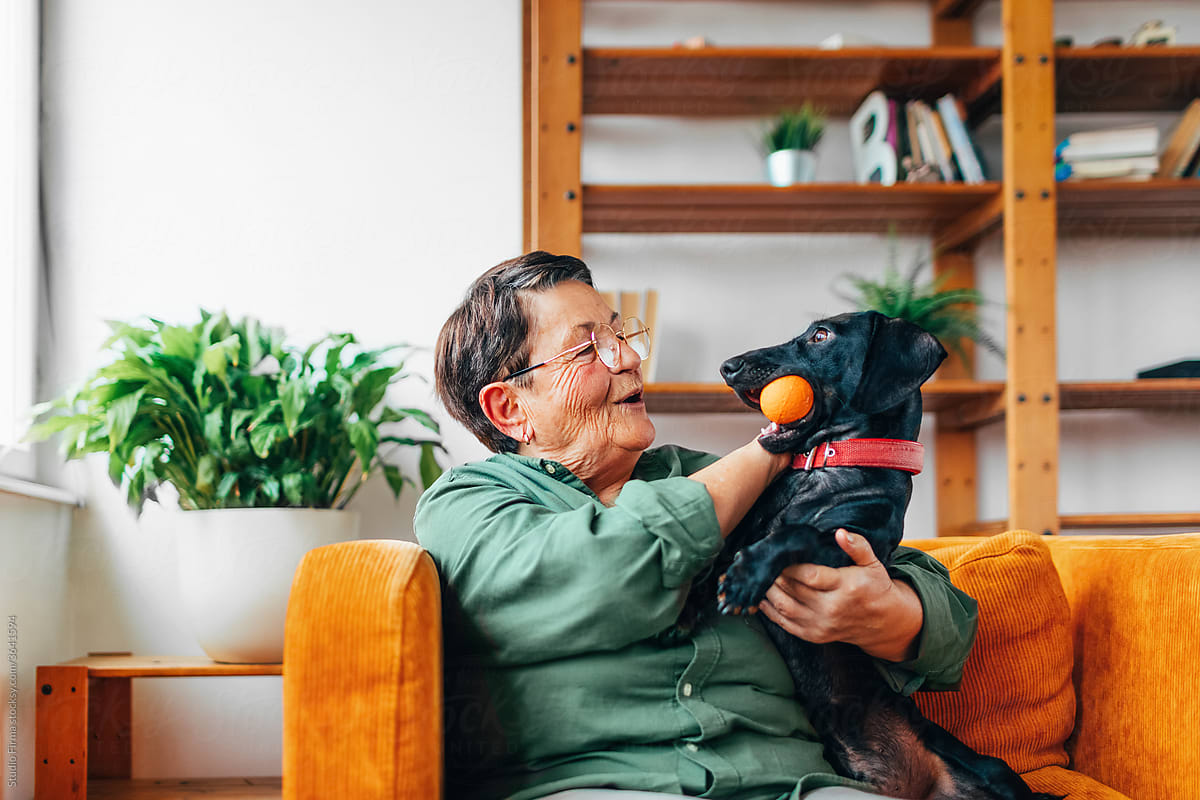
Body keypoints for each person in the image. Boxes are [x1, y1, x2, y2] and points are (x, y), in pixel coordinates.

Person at [414, 252, 979, 800]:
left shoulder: (708, 475)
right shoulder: (467, 505)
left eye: (620, 335)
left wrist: (891, 614)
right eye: (589, 348)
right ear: (511, 409)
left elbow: (937, 604)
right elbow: (607, 575)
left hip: (795, 786)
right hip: (597, 784)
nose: (629, 359)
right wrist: (769, 450)